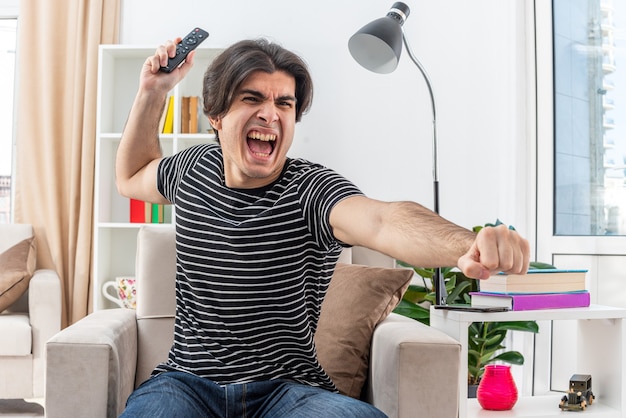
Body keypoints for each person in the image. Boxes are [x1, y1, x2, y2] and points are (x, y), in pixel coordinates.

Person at [116, 37, 530, 417]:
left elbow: (381, 219)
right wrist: (153, 90)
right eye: (252, 98)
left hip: (288, 392)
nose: (271, 114)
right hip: (186, 382)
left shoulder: (310, 188)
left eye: (285, 104)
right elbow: (132, 175)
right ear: (217, 116)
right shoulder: (192, 169)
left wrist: (466, 243)